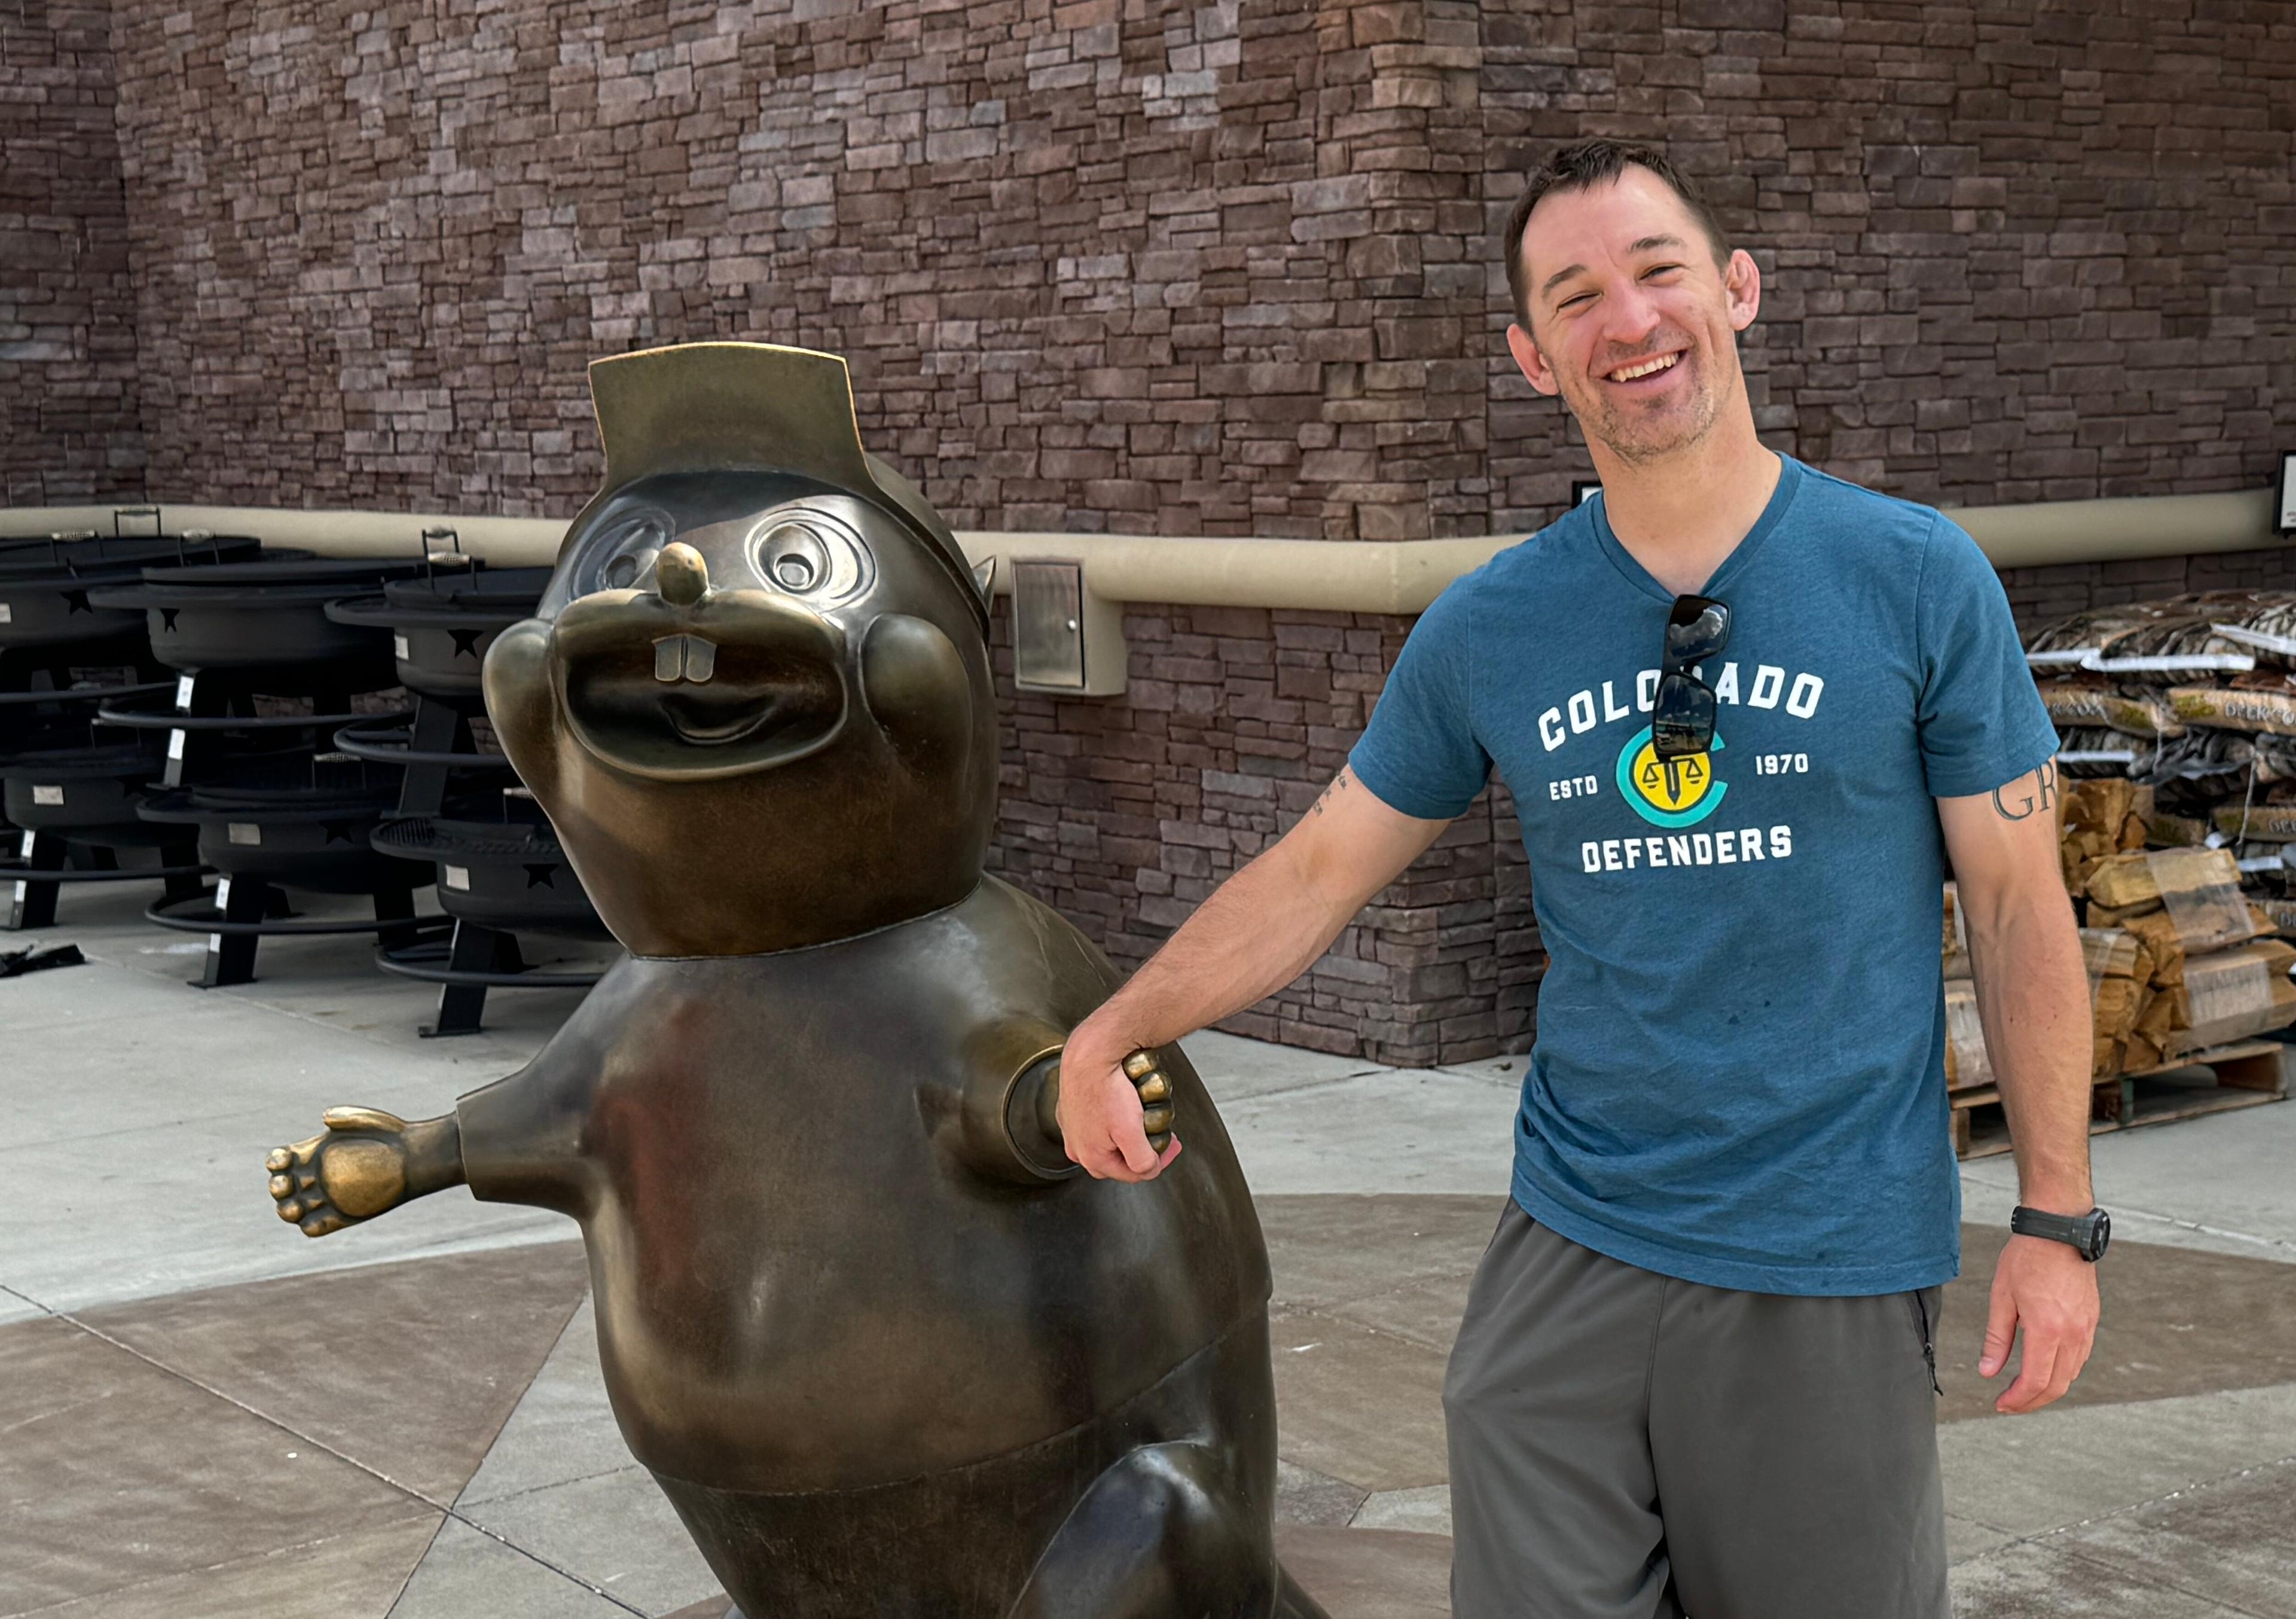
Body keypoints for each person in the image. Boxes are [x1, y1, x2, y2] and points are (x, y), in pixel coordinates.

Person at [1055, 138, 2103, 1618]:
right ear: (1534, 357)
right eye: (1577, 297)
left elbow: (2015, 905)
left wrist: (2057, 1222)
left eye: (1660, 270)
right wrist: (1114, 1027)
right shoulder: (1496, 624)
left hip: (1823, 1255)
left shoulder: (1914, 578)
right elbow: (1318, 871)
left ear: (1737, 290)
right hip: (1568, 1254)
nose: (1630, 320)